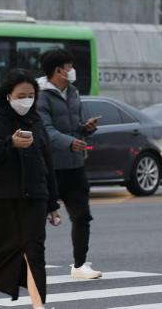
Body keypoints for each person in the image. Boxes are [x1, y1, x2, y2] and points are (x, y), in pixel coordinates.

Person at [0, 69, 61, 309]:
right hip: (0, 196)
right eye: (21, 96)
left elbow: (47, 163)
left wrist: (53, 203)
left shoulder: (36, 121)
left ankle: (39, 306)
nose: (26, 100)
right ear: (8, 95)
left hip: (34, 195)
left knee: (35, 252)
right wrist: (8, 143)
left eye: (31, 95)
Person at [35, 49, 102, 281]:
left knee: (82, 216)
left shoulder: (73, 92)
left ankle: (80, 265)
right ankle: (33, 266)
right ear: (58, 70)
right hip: (50, 169)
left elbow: (77, 125)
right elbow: (45, 130)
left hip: (75, 166)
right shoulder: (41, 95)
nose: (72, 71)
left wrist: (86, 128)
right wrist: (69, 142)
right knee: (37, 221)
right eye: (69, 67)